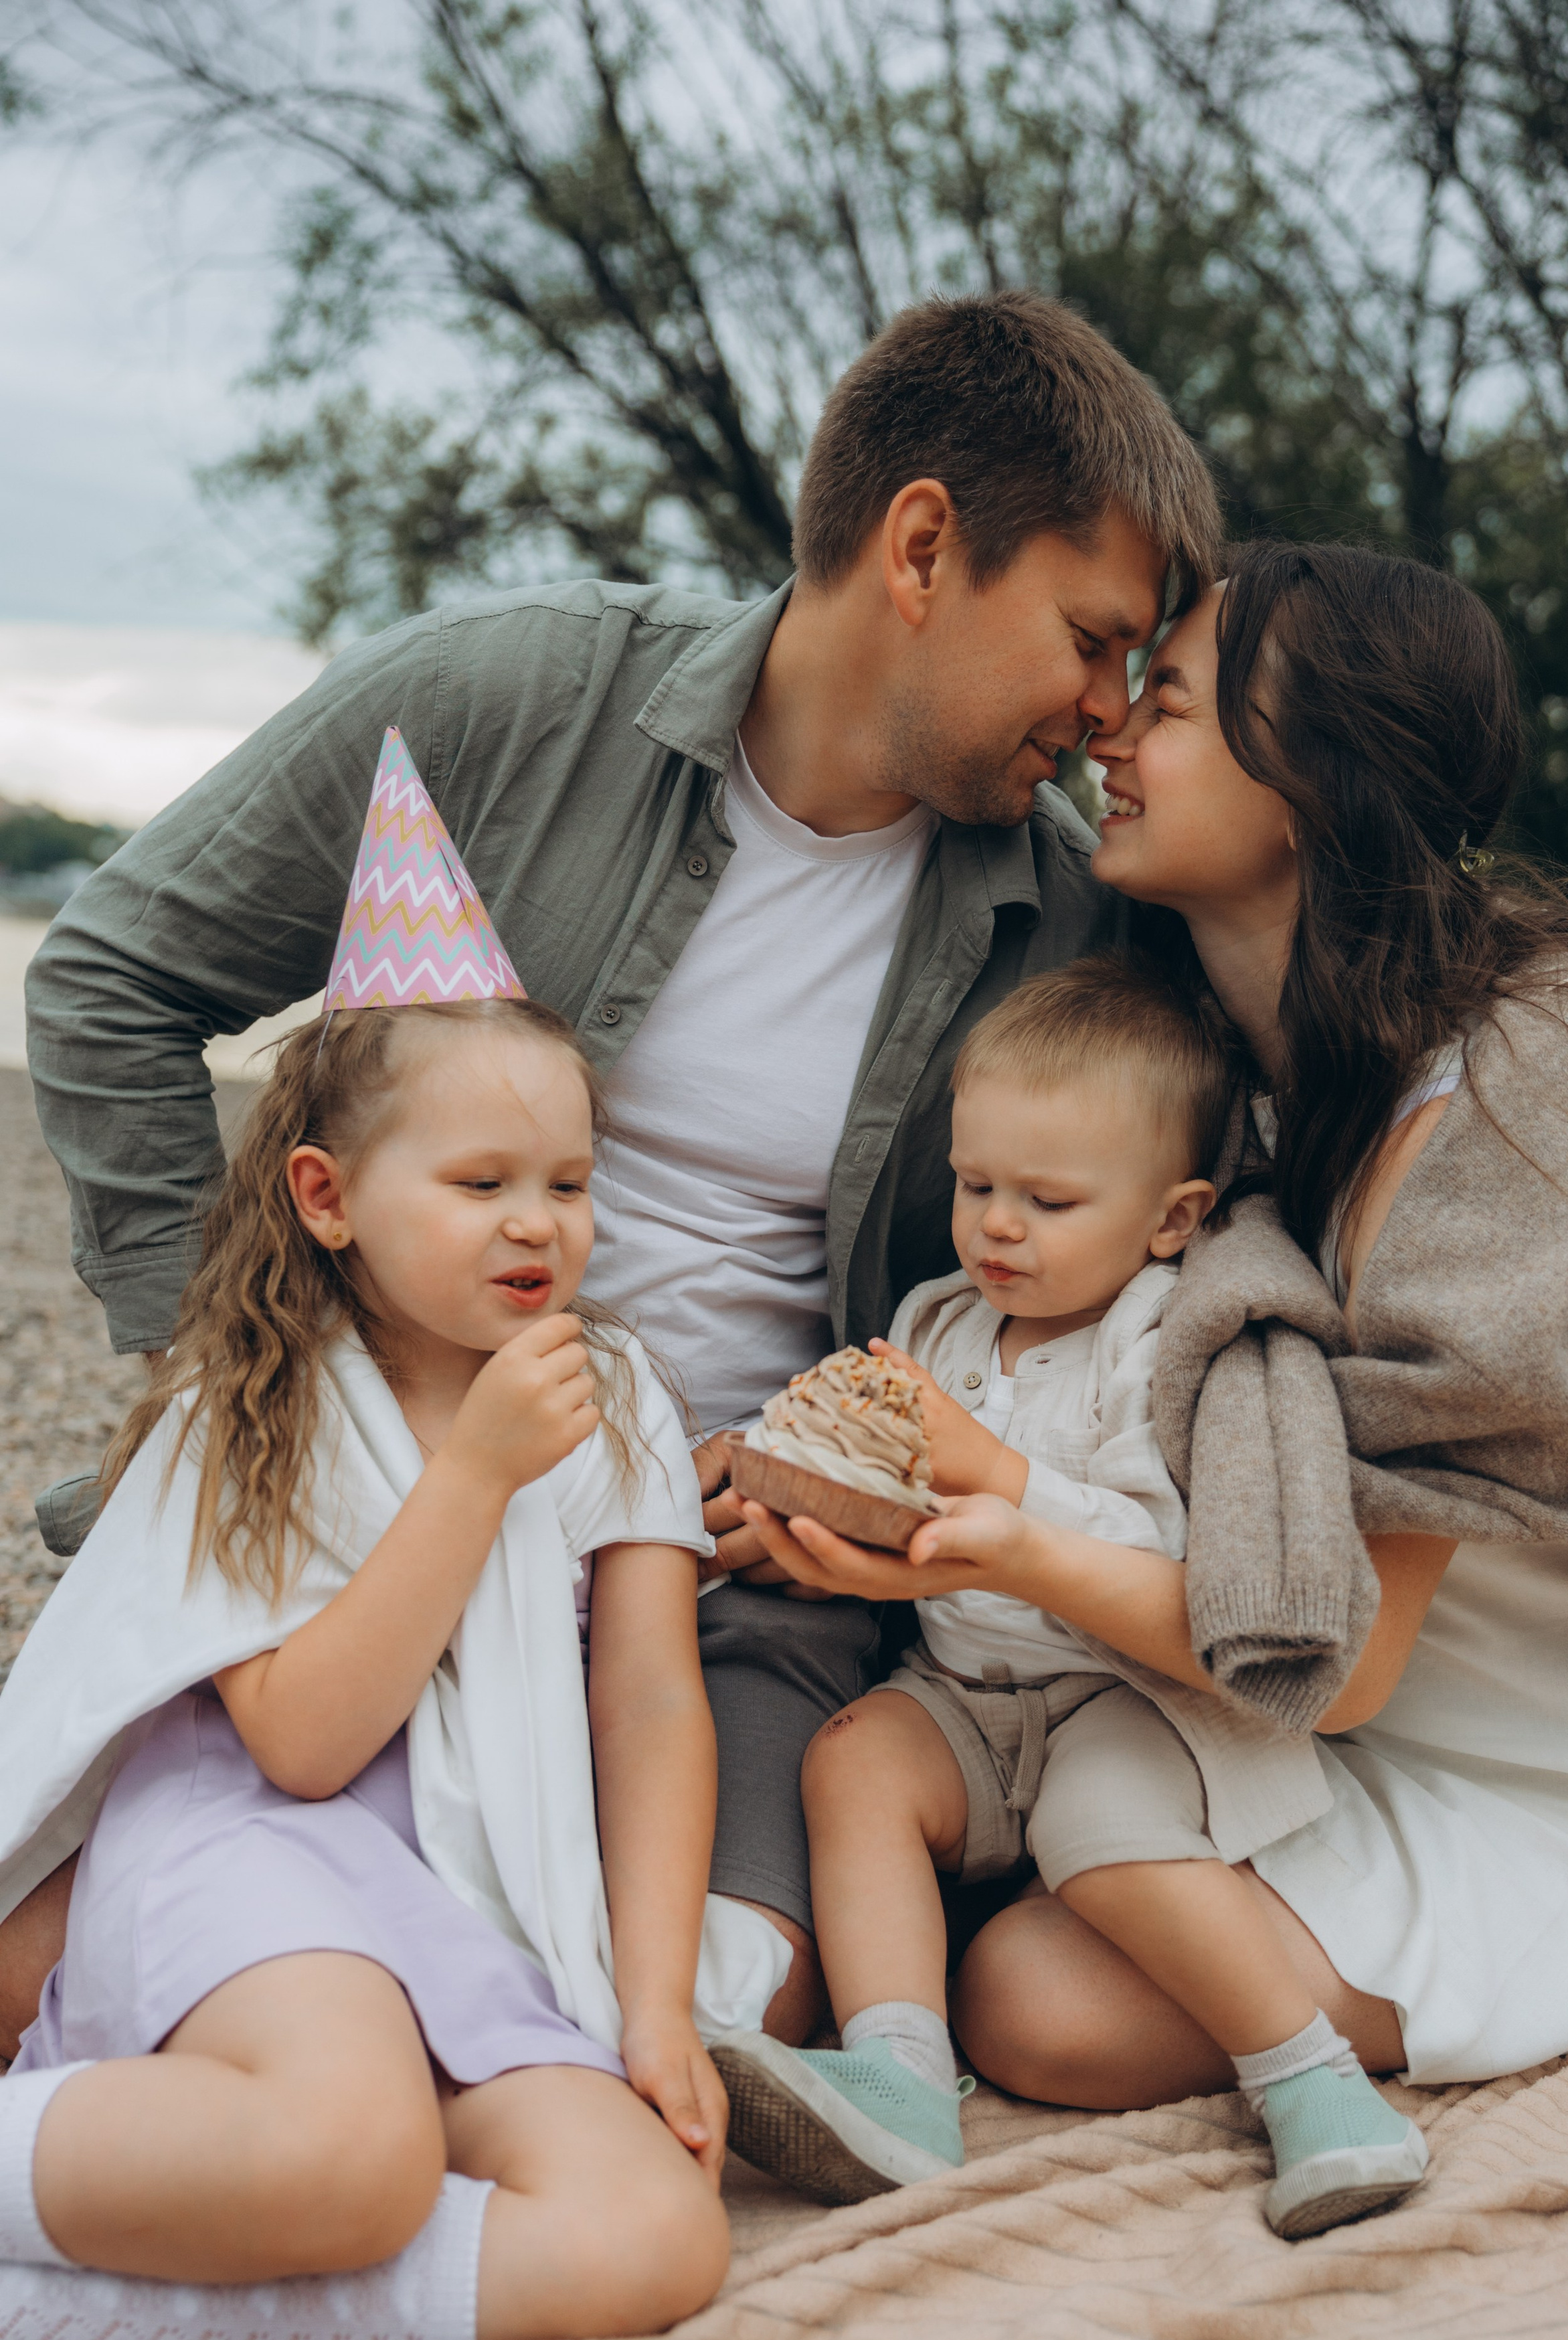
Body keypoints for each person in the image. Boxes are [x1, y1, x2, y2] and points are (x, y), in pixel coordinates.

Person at [8, 290, 1223, 2055]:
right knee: (59, 1962)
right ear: (924, 546)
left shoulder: (1068, 922)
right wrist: (246, 1379)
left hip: (732, 1589)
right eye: (1090, 640)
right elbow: (111, 975)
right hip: (364, 1518)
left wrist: (837, 1460)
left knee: (736, 2001)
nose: (1110, 716)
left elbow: (1087, 1267)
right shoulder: (503, 702)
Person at [735, 540, 1568, 2160]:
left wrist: (998, 1546)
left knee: (1040, 2007)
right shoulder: (1221, 1083)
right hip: (1267, 1724)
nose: (1108, 729)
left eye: (1166, 700)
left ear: (1307, 782)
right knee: (1012, 1971)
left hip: (1533, 1761)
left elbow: (1334, 1667)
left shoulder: (1504, 1098)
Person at [0, 902, 747, 2340]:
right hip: (253, 1845)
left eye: (569, 1182)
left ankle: (92, 2312)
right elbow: (299, 1742)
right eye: (480, 1182)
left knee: (650, 2235)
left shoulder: (615, 1394)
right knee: (351, 2155)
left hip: (473, 1890)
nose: (537, 1222)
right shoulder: (253, 1406)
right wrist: (472, 1476)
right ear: (326, 1196)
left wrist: (654, 2009)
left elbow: (651, 1705)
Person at [715, 953, 1429, 2236]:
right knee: (855, 1761)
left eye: (1046, 1200)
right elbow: (888, 1471)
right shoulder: (936, 1325)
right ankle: (902, 2076)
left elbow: (1174, 1550)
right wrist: (802, 1488)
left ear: (1170, 1218)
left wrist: (995, 1471)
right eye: (977, 1184)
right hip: (965, 1693)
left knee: (1102, 1839)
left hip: (1128, 1693)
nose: (995, 1226)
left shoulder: (1161, 1342)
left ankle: (1312, 2082)